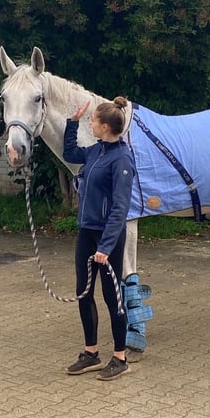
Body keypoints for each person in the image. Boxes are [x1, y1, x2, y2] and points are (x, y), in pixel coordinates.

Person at [63, 96, 135, 381]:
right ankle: (91, 353)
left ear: (105, 126)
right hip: (87, 232)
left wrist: (105, 247)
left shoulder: (122, 159)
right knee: (84, 292)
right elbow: (70, 152)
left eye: (92, 120)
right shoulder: (96, 152)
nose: (90, 124)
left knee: (111, 297)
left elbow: (120, 208)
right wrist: (71, 123)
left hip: (109, 238)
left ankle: (120, 357)